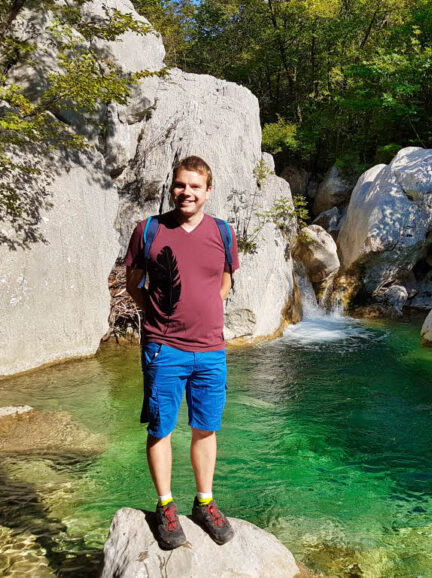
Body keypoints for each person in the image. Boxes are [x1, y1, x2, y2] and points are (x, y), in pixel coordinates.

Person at [124, 155, 239, 549]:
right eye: (179, 185)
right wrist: (158, 315)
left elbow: (223, 283)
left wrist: (204, 311)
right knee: (161, 428)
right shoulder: (149, 230)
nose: (185, 192)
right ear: (171, 188)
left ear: (208, 191)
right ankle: (165, 505)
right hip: (163, 348)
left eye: (194, 186)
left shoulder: (223, 232)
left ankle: (204, 502)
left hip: (211, 350)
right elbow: (133, 283)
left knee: (205, 428)